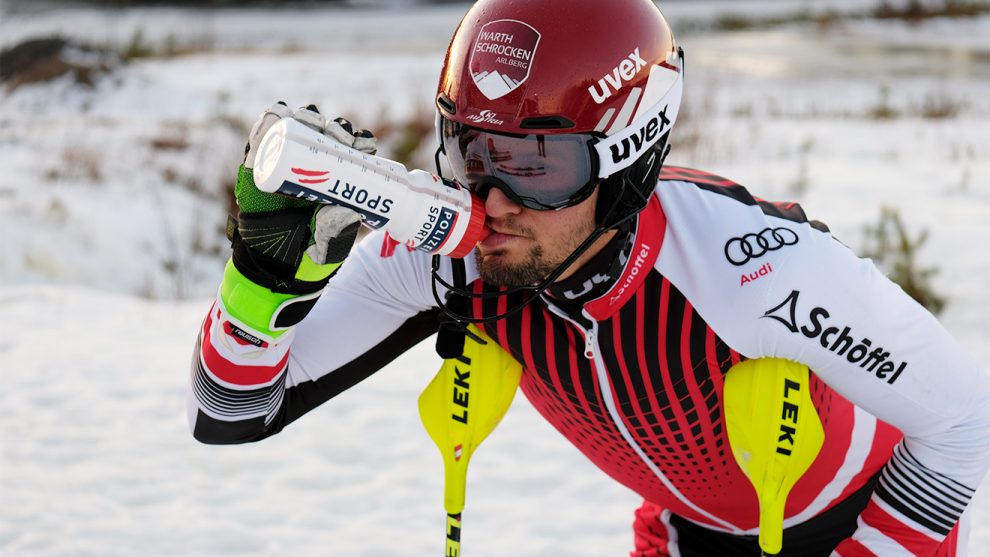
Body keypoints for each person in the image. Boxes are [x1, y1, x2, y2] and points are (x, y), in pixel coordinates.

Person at [186, 0, 990, 555]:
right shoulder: (452, 262)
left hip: (867, 518)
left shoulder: (751, 268)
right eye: (474, 151)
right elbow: (231, 412)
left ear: (628, 161)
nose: (494, 202)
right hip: (682, 531)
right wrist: (263, 275)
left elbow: (963, 421)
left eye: (539, 163)